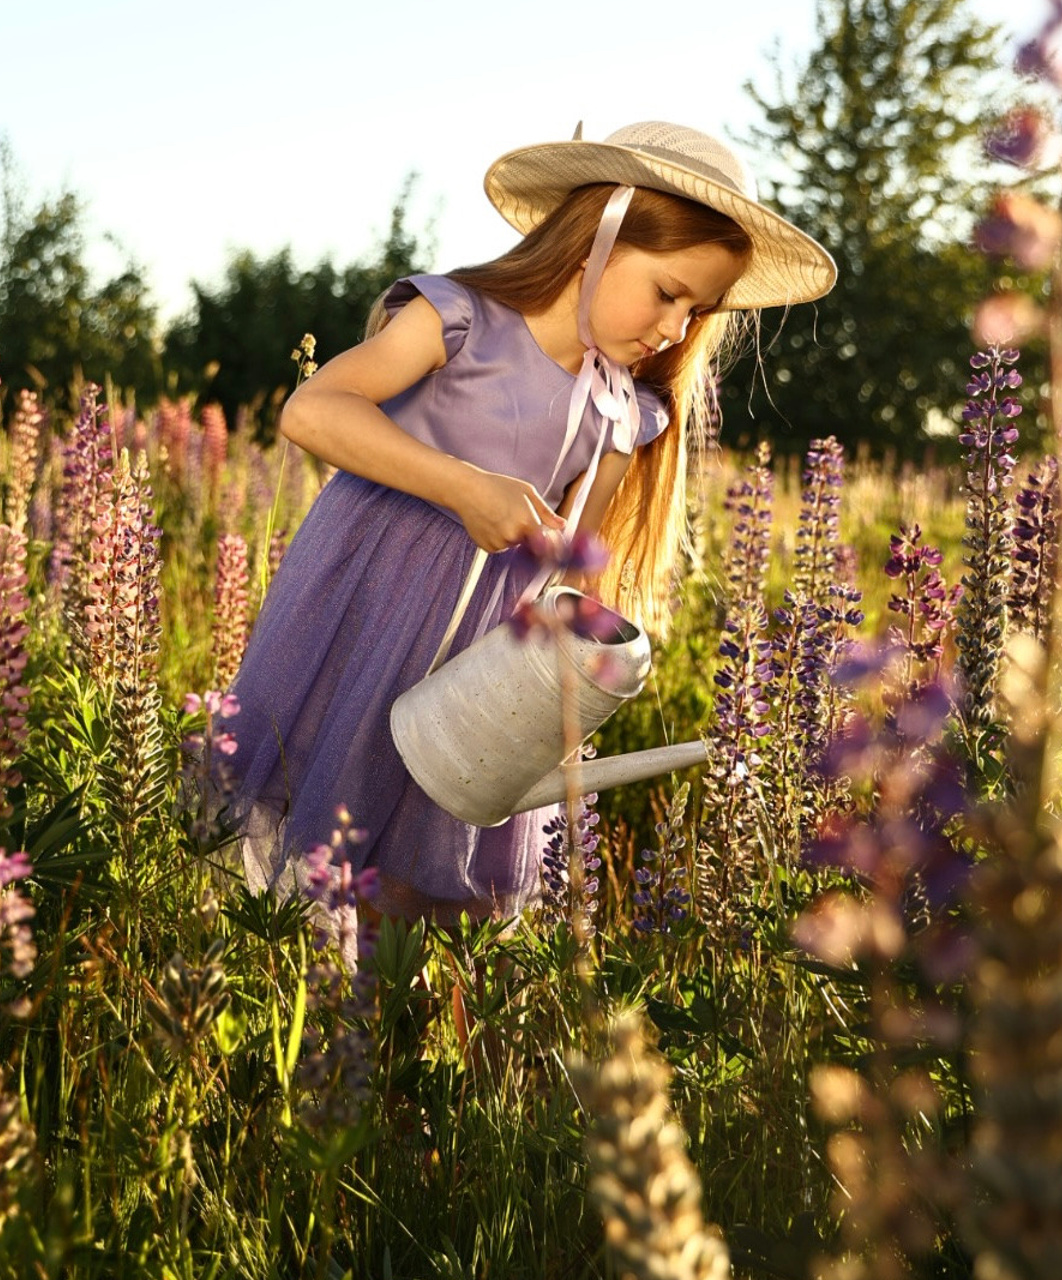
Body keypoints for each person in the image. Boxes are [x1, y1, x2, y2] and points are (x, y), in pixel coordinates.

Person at [223, 121, 836, 922]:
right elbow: (314, 412)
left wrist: (578, 681)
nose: (677, 329)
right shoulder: (458, 318)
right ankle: (300, 1007)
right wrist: (464, 488)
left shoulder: (625, 410)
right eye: (668, 292)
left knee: (420, 866)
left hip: (485, 660)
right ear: (597, 241)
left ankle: (382, 1028)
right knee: (325, 818)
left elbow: (586, 562)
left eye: (698, 310)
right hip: (366, 606)